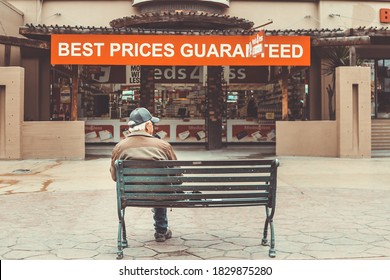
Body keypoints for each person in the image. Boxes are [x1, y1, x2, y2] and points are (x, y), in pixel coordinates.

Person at [110, 107, 177, 242]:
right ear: (147, 126)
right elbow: (177, 175)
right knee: (160, 186)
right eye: (152, 124)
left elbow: (115, 176)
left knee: (156, 186)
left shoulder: (120, 147)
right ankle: (161, 230)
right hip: (161, 195)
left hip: (130, 196)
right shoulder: (163, 146)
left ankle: (123, 236)